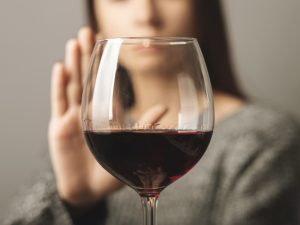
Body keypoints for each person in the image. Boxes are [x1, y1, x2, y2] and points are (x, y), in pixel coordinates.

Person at [3, 0, 300, 225]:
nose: (146, 15)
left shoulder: (264, 142)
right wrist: (74, 202)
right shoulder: (85, 144)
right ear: (97, 16)